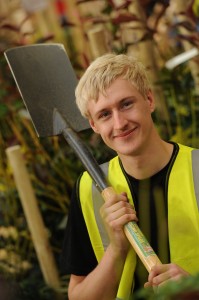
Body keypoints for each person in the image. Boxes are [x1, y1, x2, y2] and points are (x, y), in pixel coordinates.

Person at [61, 53, 199, 299]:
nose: (119, 123)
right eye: (104, 114)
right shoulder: (88, 189)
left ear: (149, 100)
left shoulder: (197, 170)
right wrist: (116, 249)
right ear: (93, 125)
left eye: (126, 104)